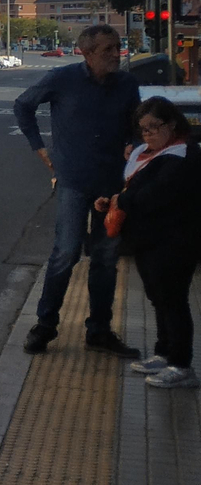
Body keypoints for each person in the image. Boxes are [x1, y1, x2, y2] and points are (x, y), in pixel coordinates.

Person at [15, 23, 142, 356]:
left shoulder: (127, 84)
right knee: (66, 253)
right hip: (73, 180)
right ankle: (45, 326)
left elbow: (136, 126)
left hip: (113, 183)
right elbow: (23, 105)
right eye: (108, 50)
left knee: (105, 258)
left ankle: (99, 331)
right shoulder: (62, 79)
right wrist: (39, 148)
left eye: (118, 47)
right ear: (86, 53)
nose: (117, 54)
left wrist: (134, 145)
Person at [99, 97, 201, 388]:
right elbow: (131, 189)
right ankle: (163, 352)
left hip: (175, 241)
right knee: (158, 298)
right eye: (143, 129)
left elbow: (154, 195)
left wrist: (123, 200)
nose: (147, 135)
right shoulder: (145, 153)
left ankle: (181, 365)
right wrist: (113, 200)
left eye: (154, 128)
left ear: (172, 124)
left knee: (173, 301)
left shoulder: (182, 156)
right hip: (148, 241)